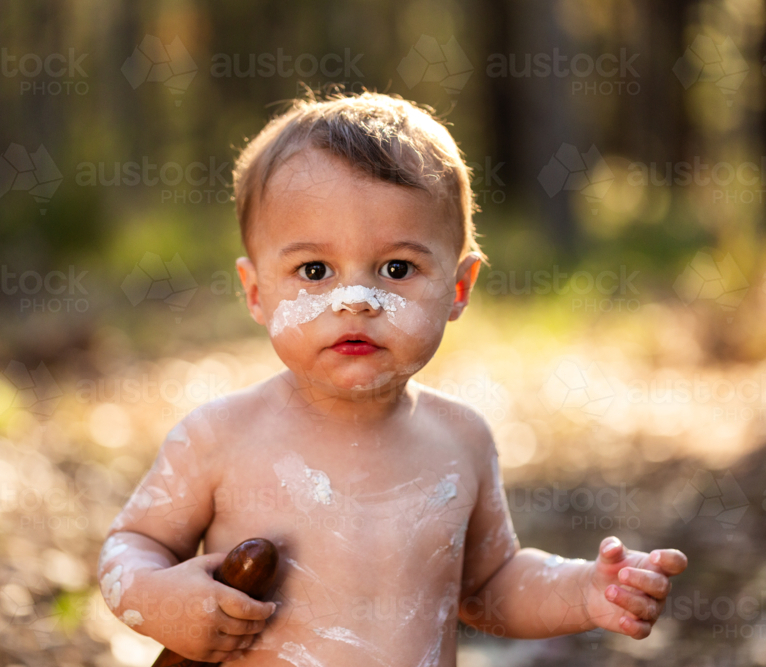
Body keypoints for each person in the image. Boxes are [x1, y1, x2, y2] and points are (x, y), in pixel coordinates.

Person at [98, 90, 688, 665]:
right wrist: (160, 599)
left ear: (458, 289)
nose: (356, 300)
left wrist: (585, 591)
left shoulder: (462, 440)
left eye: (397, 268)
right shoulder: (219, 437)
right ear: (256, 292)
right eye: (315, 269)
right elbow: (132, 546)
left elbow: (490, 586)